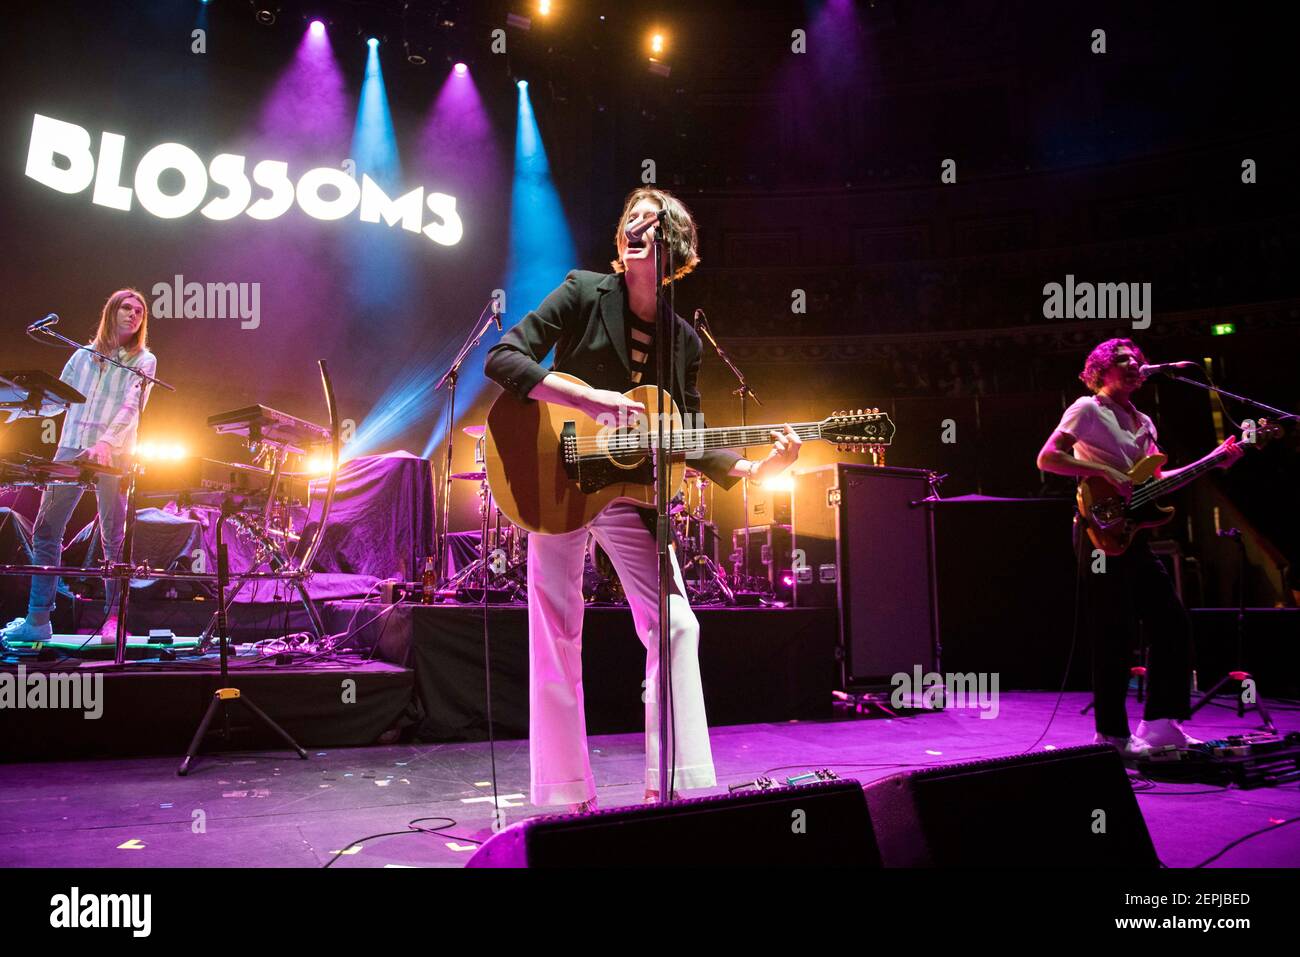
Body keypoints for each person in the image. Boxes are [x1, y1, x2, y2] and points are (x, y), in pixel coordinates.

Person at [484, 188, 801, 811]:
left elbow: (688, 436)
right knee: (556, 628)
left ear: (675, 248)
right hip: (558, 477)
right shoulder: (581, 291)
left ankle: (673, 784)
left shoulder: (684, 340)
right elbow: (504, 357)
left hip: (633, 491)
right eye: (631, 217)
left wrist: (759, 464)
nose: (636, 226)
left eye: (652, 224)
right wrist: (585, 400)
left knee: (678, 624)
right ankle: (564, 794)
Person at [1036, 338, 1242, 754]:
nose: (1133, 364)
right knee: (1114, 633)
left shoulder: (1145, 421)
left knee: (1172, 623)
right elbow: (1048, 458)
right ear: (1100, 371)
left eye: (1137, 360)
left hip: (1134, 533)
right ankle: (1111, 735)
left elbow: (1153, 482)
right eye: (1122, 360)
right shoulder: (1087, 408)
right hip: (1100, 530)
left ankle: (1161, 723)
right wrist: (1106, 471)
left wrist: (1213, 460)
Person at [2, 289, 157, 647]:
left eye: (139, 311)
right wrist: (17, 408)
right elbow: (60, 401)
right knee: (46, 529)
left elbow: (132, 406)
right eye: (126, 308)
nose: (133, 314)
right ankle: (38, 618)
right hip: (72, 444)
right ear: (111, 312)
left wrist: (106, 442)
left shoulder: (144, 359)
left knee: (113, 537)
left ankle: (113, 620)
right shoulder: (81, 356)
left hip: (114, 450)